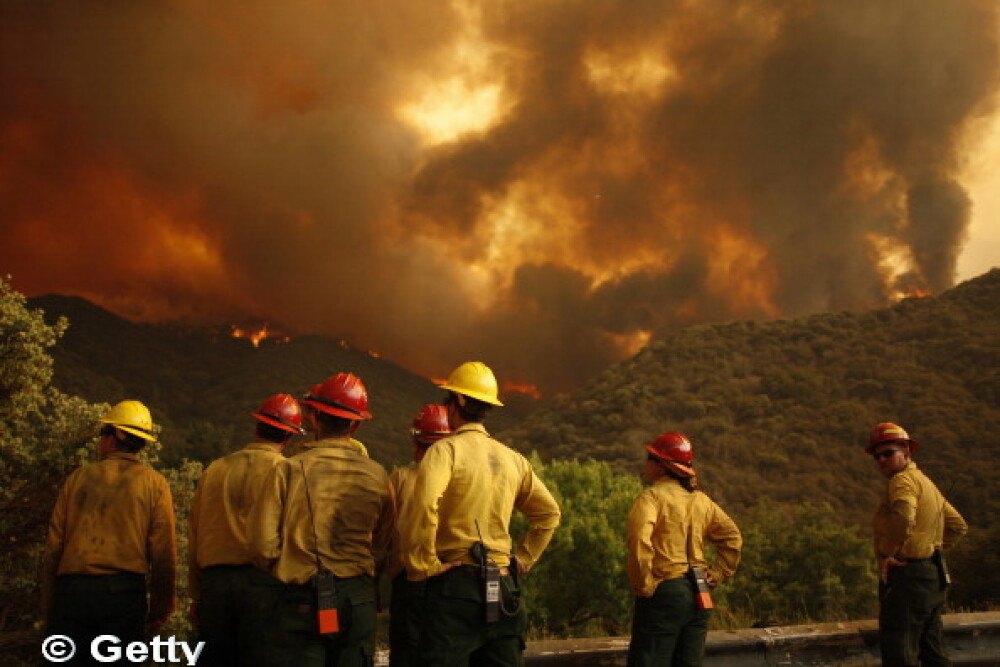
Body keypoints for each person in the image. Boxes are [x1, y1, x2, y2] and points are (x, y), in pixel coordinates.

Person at [400, 361, 561, 667]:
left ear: (458, 402)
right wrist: (524, 557)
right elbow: (549, 514)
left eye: (449, 399)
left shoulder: (444, 452)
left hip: (455, 587)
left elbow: (423, 505)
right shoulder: (514, 460)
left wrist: (423, 564)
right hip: (504, 589)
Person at [249, 373, 394, 667]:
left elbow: (262, 546)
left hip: (303, 596)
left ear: (314, 417)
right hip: (358, 598)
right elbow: (385, 541)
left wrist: (290, 567)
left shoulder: (287, 471)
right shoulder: (378, 475)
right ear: (356, 424)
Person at [42, 400, 177, 663]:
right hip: (123, 598)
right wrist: (162, 607)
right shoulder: (155, 484)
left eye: (102, 433)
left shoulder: (78, 478)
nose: (99, 440)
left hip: (73, 594)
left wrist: (49, 604)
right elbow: (163, 553)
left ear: (117, 435)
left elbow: (54, 547)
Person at [188, 393, 305, 666]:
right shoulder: (287, 472)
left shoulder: (215, 469)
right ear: (289, 438)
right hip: (265, 585)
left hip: (215, 585)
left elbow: (194, 537)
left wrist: (197, 595)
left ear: (256, 428)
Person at [625, 432, 742, 667]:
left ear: (661, 466)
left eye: (650, 457)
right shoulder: (701, 501)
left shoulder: (651, 498)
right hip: (700, 591)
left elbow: (639, 539)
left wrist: (644, 585)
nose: (646, 462)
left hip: (665, 591)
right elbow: (732, 538)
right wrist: (717, 573)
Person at [868, 422, 968, 667]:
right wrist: (930, 549)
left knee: (899, 652)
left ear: (907, 452)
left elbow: (903, 518)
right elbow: (957, 526)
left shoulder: (902, 482)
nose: (882, 459)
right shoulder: (925, 482)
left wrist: (888, 554)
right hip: (934, 577)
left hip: (908, 578)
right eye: (877, 455)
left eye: (889, 453)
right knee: (933, 653)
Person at [386, 404, 452, 667]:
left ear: (416, 443)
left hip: (409, 578)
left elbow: (385, 530)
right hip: (451, 577)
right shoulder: (461, 478)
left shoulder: (401, 478)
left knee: (406, 652)